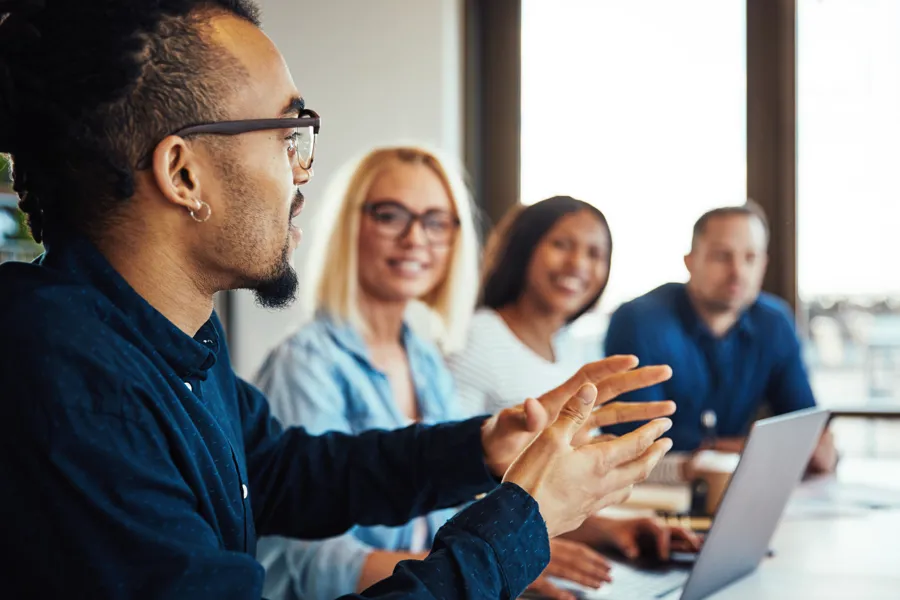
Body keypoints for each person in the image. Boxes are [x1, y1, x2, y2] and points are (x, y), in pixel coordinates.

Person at [0, 2, 678, 598]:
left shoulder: (170, 336)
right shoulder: (67, 380)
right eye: (285, 133)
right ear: (183, 173)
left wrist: (479, 449)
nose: (301, 170)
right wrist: (520, 522)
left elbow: (284, 473)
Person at [254, 160, 695, 600]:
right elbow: (309, 567)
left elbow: (457, 512)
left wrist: (591, 529)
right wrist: (495, 561)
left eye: (436, 222)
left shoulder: (423, 357)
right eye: (390, 215)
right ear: (349, 227)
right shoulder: (305, 365)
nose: (415, 238)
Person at [603, 201, 837, 482]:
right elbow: (636, 441)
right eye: (721, 256)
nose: (737, 271)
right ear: (690, 262)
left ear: (763, 264)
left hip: (737, 487)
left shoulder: (775, 323)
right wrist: (746, 446)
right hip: (650, 494)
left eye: (750, 258)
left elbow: (805, 429)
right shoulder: (638, 321)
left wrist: (815, 447)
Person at [448, 196, 612, 416]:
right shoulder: (476, 340)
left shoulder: (578, 348)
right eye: (561, 245)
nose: (578, 264)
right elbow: (451, 445)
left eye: (594, 254)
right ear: (524, 248)